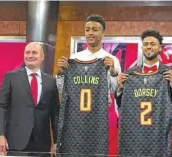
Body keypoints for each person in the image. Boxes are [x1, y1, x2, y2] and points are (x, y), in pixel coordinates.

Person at [55, 14, 121, 156]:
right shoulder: (74, 58)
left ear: (103, 33)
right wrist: (60, 74)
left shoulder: (112, 60)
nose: (90, 33)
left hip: (100, 119)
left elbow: (118, 92)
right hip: (76, 119)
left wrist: (114, 73)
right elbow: (64, 91)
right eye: (87, 29)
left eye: (95, 29)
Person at [115, 30, 172, 156]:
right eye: (146, 44)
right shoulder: (129, 74)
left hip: (160, 141)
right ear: (142, 47)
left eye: (153, 44)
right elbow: (121, 105)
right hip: (135, 141)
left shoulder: (170, 73)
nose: (149, 47)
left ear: (160, 48)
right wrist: (119, 89)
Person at [0, 42, 59, 156]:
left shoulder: (51, 81)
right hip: (15, 142)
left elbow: (55, 113)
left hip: (42, 144)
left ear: (42, 57)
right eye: (27, 52)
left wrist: (57, 141)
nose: (30, 55)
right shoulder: (11, 77)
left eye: (34, 52)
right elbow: (0, 106)